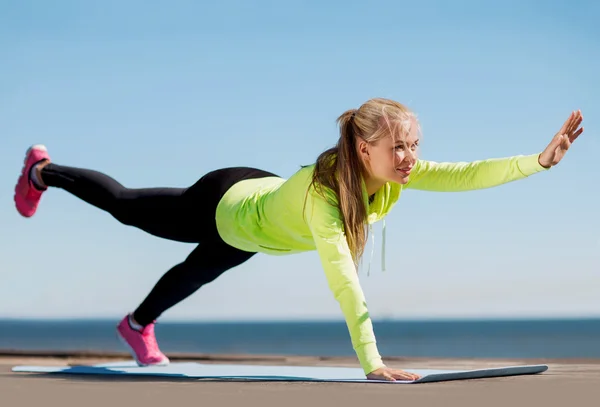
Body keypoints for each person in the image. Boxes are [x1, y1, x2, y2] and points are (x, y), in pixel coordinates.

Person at [13, 98, 584, 382]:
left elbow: (465, 173)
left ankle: (135, 325)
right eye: (399, 148)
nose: (411, 158)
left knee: (198, 271)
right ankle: (44, 171)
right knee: (129, 208)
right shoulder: (326, 198)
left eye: (415, 144)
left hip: (257, 223)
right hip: (225, 202)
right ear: (365, 150)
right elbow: (342, 276)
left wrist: (538, 162)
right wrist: (373, 362)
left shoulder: (391, 173)